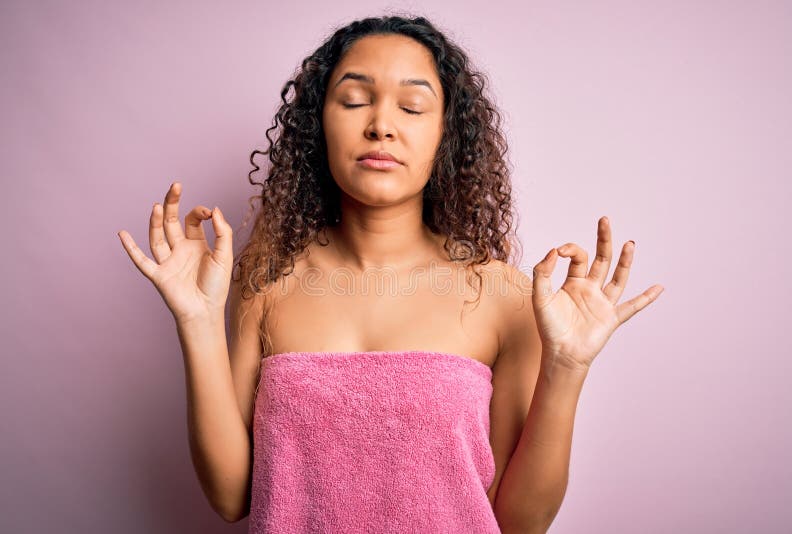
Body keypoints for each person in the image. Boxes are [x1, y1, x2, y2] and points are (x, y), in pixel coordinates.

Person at [117, 14, 664, 534]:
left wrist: (567, 366)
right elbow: (232, 495)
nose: (380, 126)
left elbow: (520, 523)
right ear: (317, 127)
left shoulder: (504, 296)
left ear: (446, 135)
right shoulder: (268, 279)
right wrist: (197, 319)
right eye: (354, 100)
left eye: (412, 107)